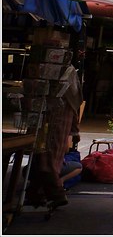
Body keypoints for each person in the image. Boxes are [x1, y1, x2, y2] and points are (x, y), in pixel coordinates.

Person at [25, 63, 82, 209]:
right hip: (52, 136)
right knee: (43, 161)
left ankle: (54, 193)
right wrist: (75, 133)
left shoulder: (65, 102)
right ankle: (38, 194)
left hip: (52, 134)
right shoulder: (70, 101)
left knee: (45, 162)